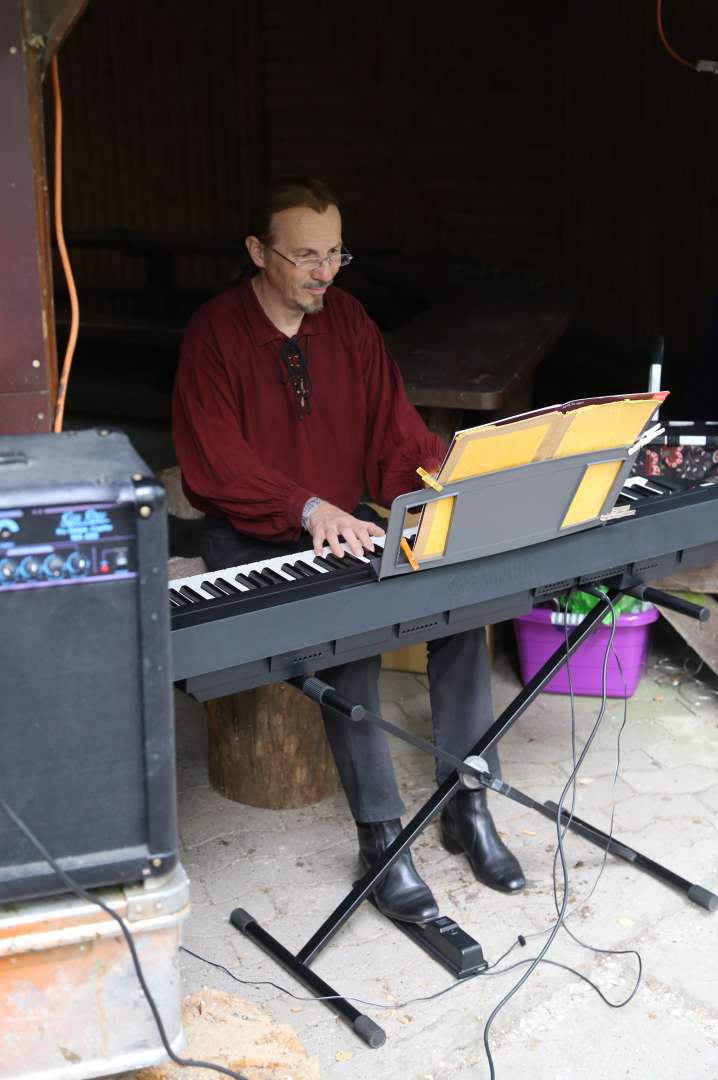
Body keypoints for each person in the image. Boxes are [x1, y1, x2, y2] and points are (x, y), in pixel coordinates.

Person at [172, 177, 525, 923]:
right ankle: (381, 836)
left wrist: (445, 482)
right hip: (252, 536)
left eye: (335, 254)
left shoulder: (351, 322)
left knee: (459, 607)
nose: (324, 273)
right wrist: (305, 507)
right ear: (257, 251)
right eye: (305, 256)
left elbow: (394, 433)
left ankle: (469, 800)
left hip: (345, 529)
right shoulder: (215, 334)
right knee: (354, 634)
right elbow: (215, 461)